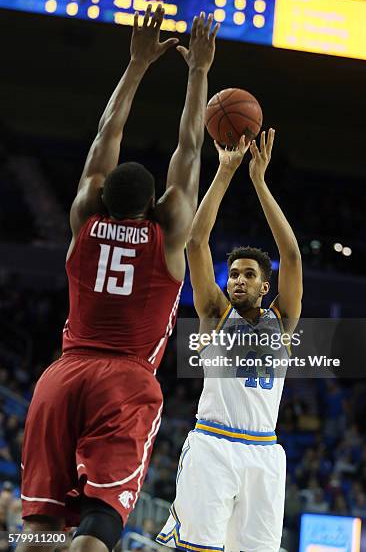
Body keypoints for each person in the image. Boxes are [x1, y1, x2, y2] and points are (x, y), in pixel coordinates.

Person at [18, 5, 220, 552]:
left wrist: (134, 66)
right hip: (125, 380)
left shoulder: (84, 216)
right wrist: (198, 70)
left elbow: (108, 133)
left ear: (101, 193)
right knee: (100, 521)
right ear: (156, 204)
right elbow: (190, 149)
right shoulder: (169, 234)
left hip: (62, 375)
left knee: (39, 527)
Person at [157, 129, 303, 551]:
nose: (238, 279)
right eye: (235, 273)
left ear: (264, 286)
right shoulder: (214, 312)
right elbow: (197, 241)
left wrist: (260, 182)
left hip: (264, 451)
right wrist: (224, 172)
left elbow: (291, 255)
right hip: (213, 445)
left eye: (249, 274)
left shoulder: (284, 321)